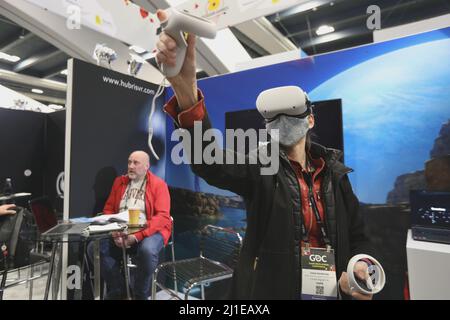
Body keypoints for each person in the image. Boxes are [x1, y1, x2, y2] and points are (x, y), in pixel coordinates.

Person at [156, 9, 377, 300]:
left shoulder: (335, 174)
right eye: (274, 117)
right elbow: (209, 160)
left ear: (310, 119)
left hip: (332, 291)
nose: (284, 121)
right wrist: (186, 90)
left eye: (293, 113)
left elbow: (358, 235)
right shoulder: (260, 166)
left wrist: (360, 267)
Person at [87, 150, 172, 300]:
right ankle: (121, 291)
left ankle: (140, 294)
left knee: (147, 250)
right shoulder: (119, 182)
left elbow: (163, 217)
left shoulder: (159, 185)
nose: (131, 166)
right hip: (121, 231)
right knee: (94, 248)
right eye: (129, 162)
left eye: (135, 163)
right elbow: (108, 210)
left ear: (146, 166)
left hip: (150, 231)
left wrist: (136, 237)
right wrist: (114, 232)